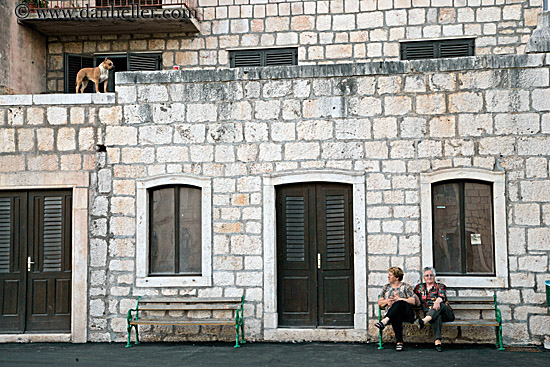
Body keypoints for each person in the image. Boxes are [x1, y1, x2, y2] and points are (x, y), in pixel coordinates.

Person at [376, 267, 419, 351]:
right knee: (396, 315)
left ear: (397, 277)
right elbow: (380, 303)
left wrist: (400, 299)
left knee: (399, 303)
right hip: (394, 315)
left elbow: (413, 301)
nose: (388, 277)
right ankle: (399, 343)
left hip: (407, 314)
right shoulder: (386, 287)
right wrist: (387, 301)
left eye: (390, 275)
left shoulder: (406, 287)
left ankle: (385, 321)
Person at [413, 267, 455, 352]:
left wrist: (437, 301)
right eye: (427, 275)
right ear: (423, 277)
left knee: (440, 305)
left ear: (434, 276)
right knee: (436, 316)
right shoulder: (419, 287)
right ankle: (437, 342)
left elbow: (442, 296)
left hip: (446, 313)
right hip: (431, 314)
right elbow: (412, 296)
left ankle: (423, 321)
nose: (429, 277)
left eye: (431, 275)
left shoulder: (440, 286)